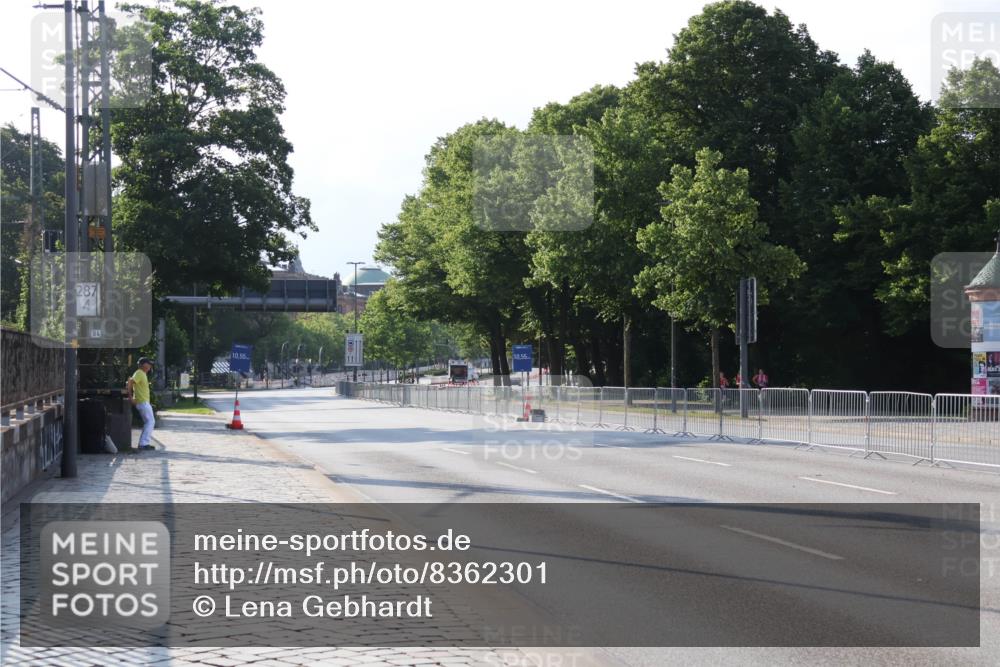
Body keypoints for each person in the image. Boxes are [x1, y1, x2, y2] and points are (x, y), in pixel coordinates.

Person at [127, 357, 156, 451]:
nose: (150, 366)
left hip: (143, 402)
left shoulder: (142, 373)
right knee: (150, 422)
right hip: (142, 402)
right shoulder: (139, 372)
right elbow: (130, 382)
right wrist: (131, 397)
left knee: (149, 422)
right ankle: (143, 443)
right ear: (143, 365)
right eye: (148, 364)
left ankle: (144, 443)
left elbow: (131, 382)